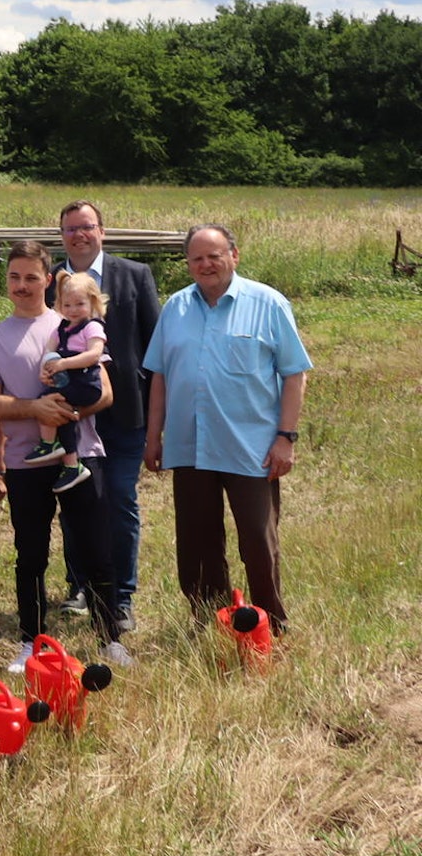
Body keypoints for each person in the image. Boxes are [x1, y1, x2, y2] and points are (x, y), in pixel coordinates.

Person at [0, 241, 133, 671]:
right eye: (14, 277)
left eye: (31, 277)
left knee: (96, 547)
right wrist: (34, 408)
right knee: (31, 554)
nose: (22, 286)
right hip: (27, 462)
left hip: (82, 455)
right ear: (6, 282)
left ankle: (110, 637)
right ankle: (32, 640)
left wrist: (67, 411)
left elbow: (106, 392)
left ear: (48, 279)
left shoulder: (74, 320)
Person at [145, 223, 310, 631]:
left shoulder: (267, 303)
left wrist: (285, 438)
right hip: (190, 446)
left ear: (234, 256)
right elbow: (161, 376)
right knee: (198, 542)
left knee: (258, 539)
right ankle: (211, 620)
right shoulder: (176, 308)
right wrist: (153, 437)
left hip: (250, 447)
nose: (206, 264)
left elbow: (294, 373)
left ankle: (270, 623)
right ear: (187, 263)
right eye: (197, 258)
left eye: (214, 255)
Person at [55, 200, 161, 630]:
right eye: (70, 229)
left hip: (124, 415)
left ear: (102, 230)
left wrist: (156, 416)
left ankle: (120, 596)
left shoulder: (134, 275)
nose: (79, 235)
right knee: (76, 501)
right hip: (70, 415)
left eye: (86, 227)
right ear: (61, 235)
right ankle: (80, 585)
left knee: (119, 500)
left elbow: (155, 346)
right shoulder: (52, 283)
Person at [23, 272, 108, 494]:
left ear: (93, 302)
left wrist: (64, 364)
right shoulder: (61, 328)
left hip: (87, 384)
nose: (73, 310)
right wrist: (46, 371)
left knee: (50, 403)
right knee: (55, 408)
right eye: (67, 304)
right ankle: (71, 463)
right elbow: (48, 352)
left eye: (80, 304)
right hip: (67, 382)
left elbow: (94, 355)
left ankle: (50, 444)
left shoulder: (93, 327)